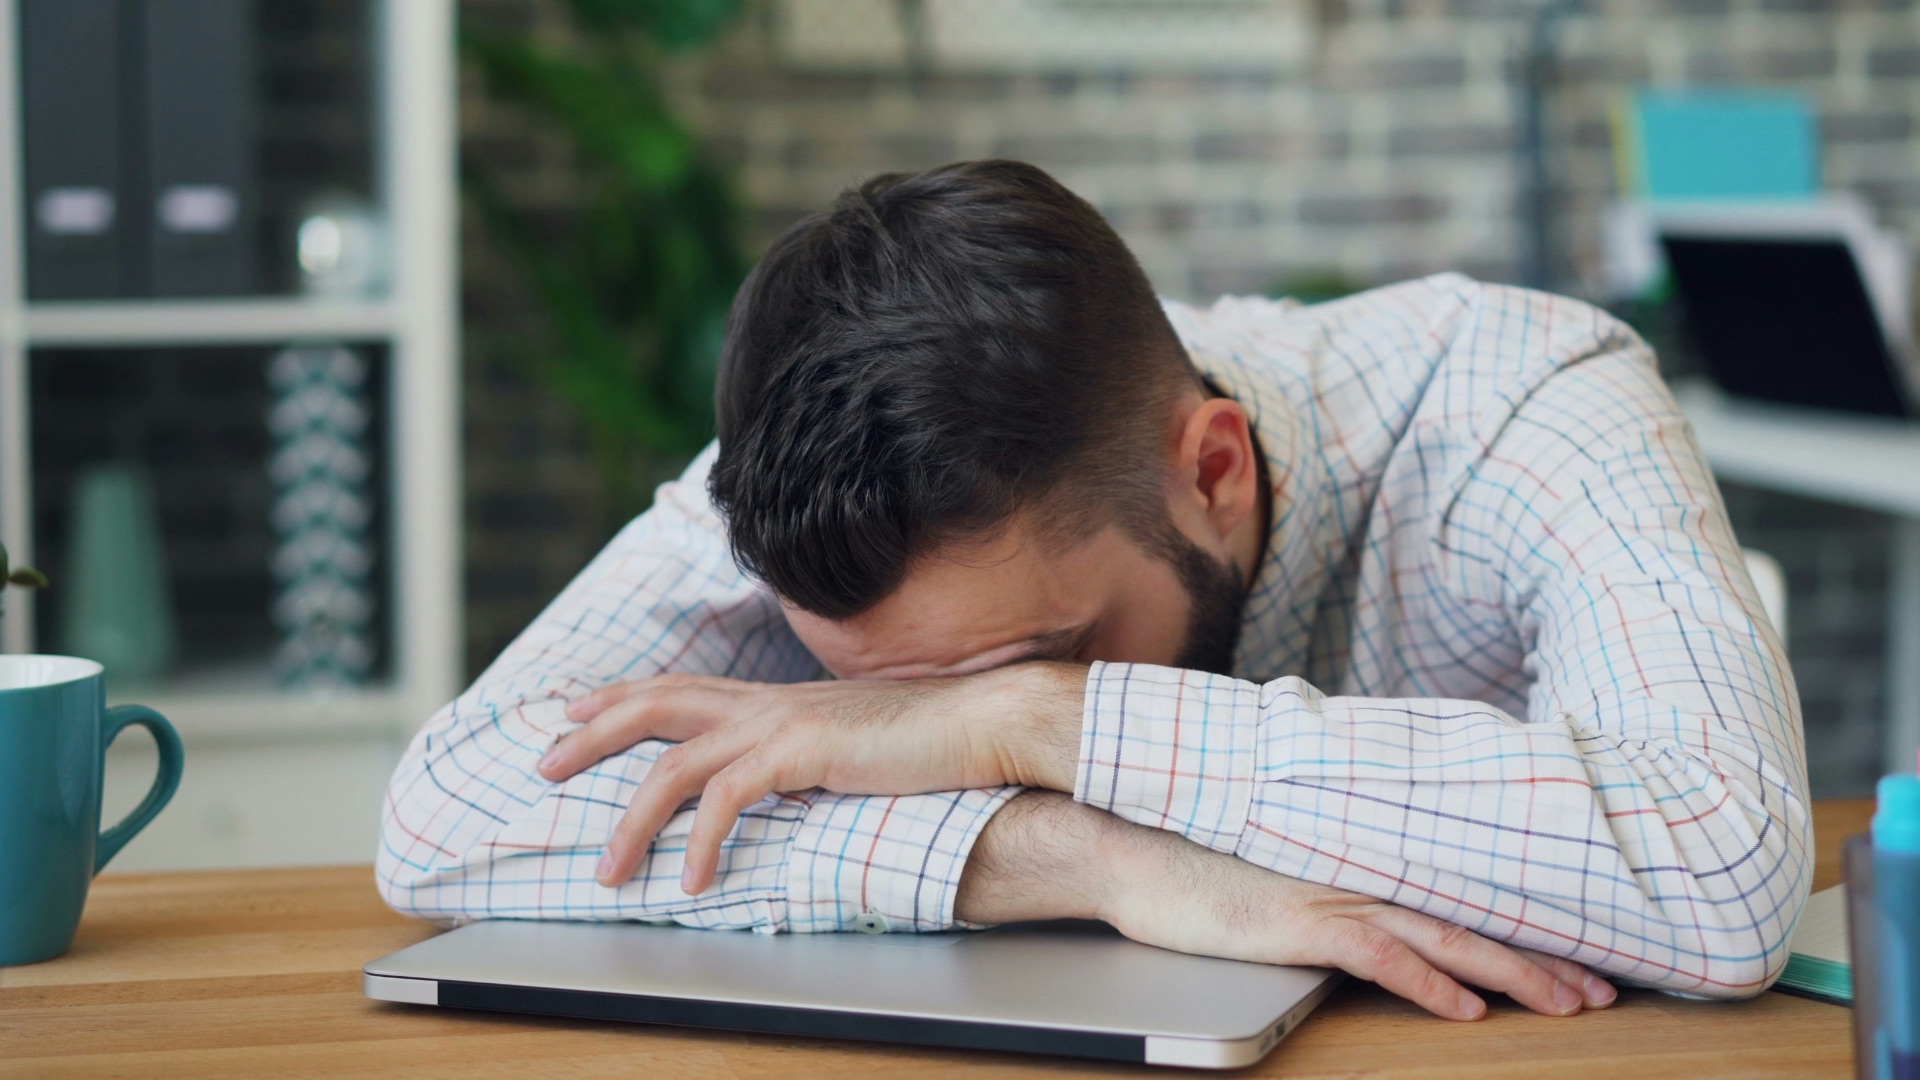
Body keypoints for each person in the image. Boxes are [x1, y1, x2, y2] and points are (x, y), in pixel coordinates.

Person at [377, 160, 1809, 1022]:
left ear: (1216, 469)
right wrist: (1078, 859)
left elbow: (1723, 867)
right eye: (887, 694)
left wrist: (1033, 724)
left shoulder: (1526, 398)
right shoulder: (806, 474)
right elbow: (445, 816)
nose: (917, 728)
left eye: (1023, 656)